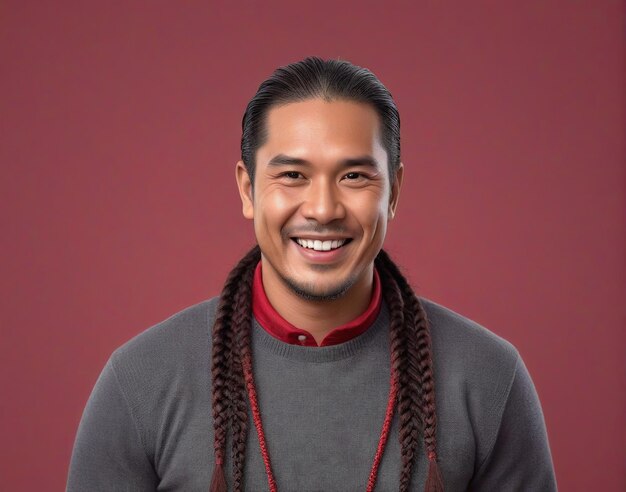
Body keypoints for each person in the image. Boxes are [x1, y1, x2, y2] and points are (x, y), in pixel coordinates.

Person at [67, 57, 557, 491]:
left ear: (395, 191)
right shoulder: (139, 381)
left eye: (354, 176)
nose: (323, 208)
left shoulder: (490, 377)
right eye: (293, 175)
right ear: (247, 188)